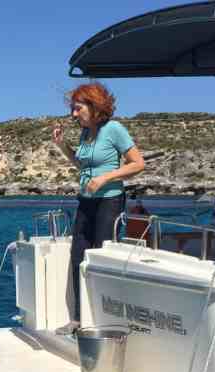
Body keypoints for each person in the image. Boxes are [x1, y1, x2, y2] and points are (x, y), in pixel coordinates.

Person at [51, 82, 145, 334]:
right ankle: (79, 318)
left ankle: (105, 318)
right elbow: (83, 166)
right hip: (86, 201)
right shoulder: (85, 133)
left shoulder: (114, 129)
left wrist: (106, 178)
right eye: (72, 108)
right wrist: (62, 146)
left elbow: (138, 164)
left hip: (109, 201)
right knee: (77, 257)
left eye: (77, 108)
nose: (73, 114)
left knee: (102, 257)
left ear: (94, 106)